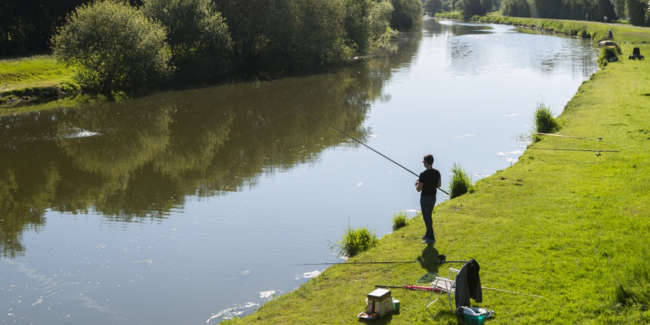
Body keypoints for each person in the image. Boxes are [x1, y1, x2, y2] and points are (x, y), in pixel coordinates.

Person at [415, 154, 441, 244]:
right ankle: (427, 233)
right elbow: (439, 185)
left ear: (426, 162)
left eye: (423, 161)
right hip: (433, 197)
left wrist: (417, 184)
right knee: (429, 216)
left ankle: (431, 237)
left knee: (427, 218)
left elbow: (419, 189)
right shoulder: (437, 172)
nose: (423, 162)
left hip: (425, 198)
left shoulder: (423, 174)